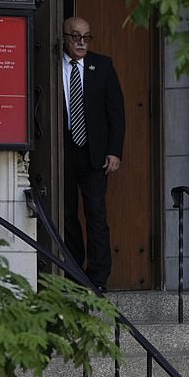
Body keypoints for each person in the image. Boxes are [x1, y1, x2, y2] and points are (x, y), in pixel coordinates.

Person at [61, 16, 125, 292]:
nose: (81, 42)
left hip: (94, 153)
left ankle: (98, 278)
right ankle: (75, 272)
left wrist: (114, 151)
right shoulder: (51, 65)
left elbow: (116, 112)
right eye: (76, 36)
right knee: (65, 214)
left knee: (96, 214)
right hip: (62, 152)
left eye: (86, 37)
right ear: (64, 37)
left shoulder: (104, 66)